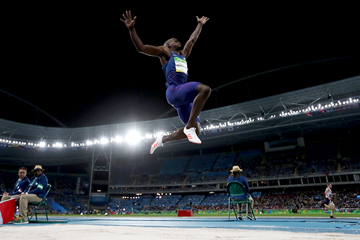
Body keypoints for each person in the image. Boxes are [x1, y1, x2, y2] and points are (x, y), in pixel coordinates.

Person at [120, 11, 212, 154]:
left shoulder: (183, 55)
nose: (177, 41)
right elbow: (141, 48)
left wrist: (199, 25)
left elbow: (192, 39)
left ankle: (163, 139)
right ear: (168, 45)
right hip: (174, 91)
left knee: (198, 130)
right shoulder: (165, 52)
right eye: (174, 40)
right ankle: (189, 128)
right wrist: (132, 29)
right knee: (205, 89)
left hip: (182, 97)